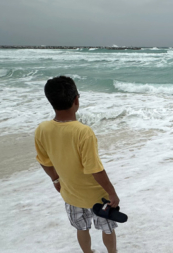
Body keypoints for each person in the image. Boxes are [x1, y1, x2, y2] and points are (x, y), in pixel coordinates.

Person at [34, 76, 120, 253]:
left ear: (50, 101)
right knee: (107, 228)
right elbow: (95, 169)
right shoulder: (83, 132)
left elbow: (44, 162)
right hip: (97, 196)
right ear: (76, 100)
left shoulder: (42, 129)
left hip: (70, 194)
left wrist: (56, 181)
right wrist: (112, 193)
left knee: (81, 228)